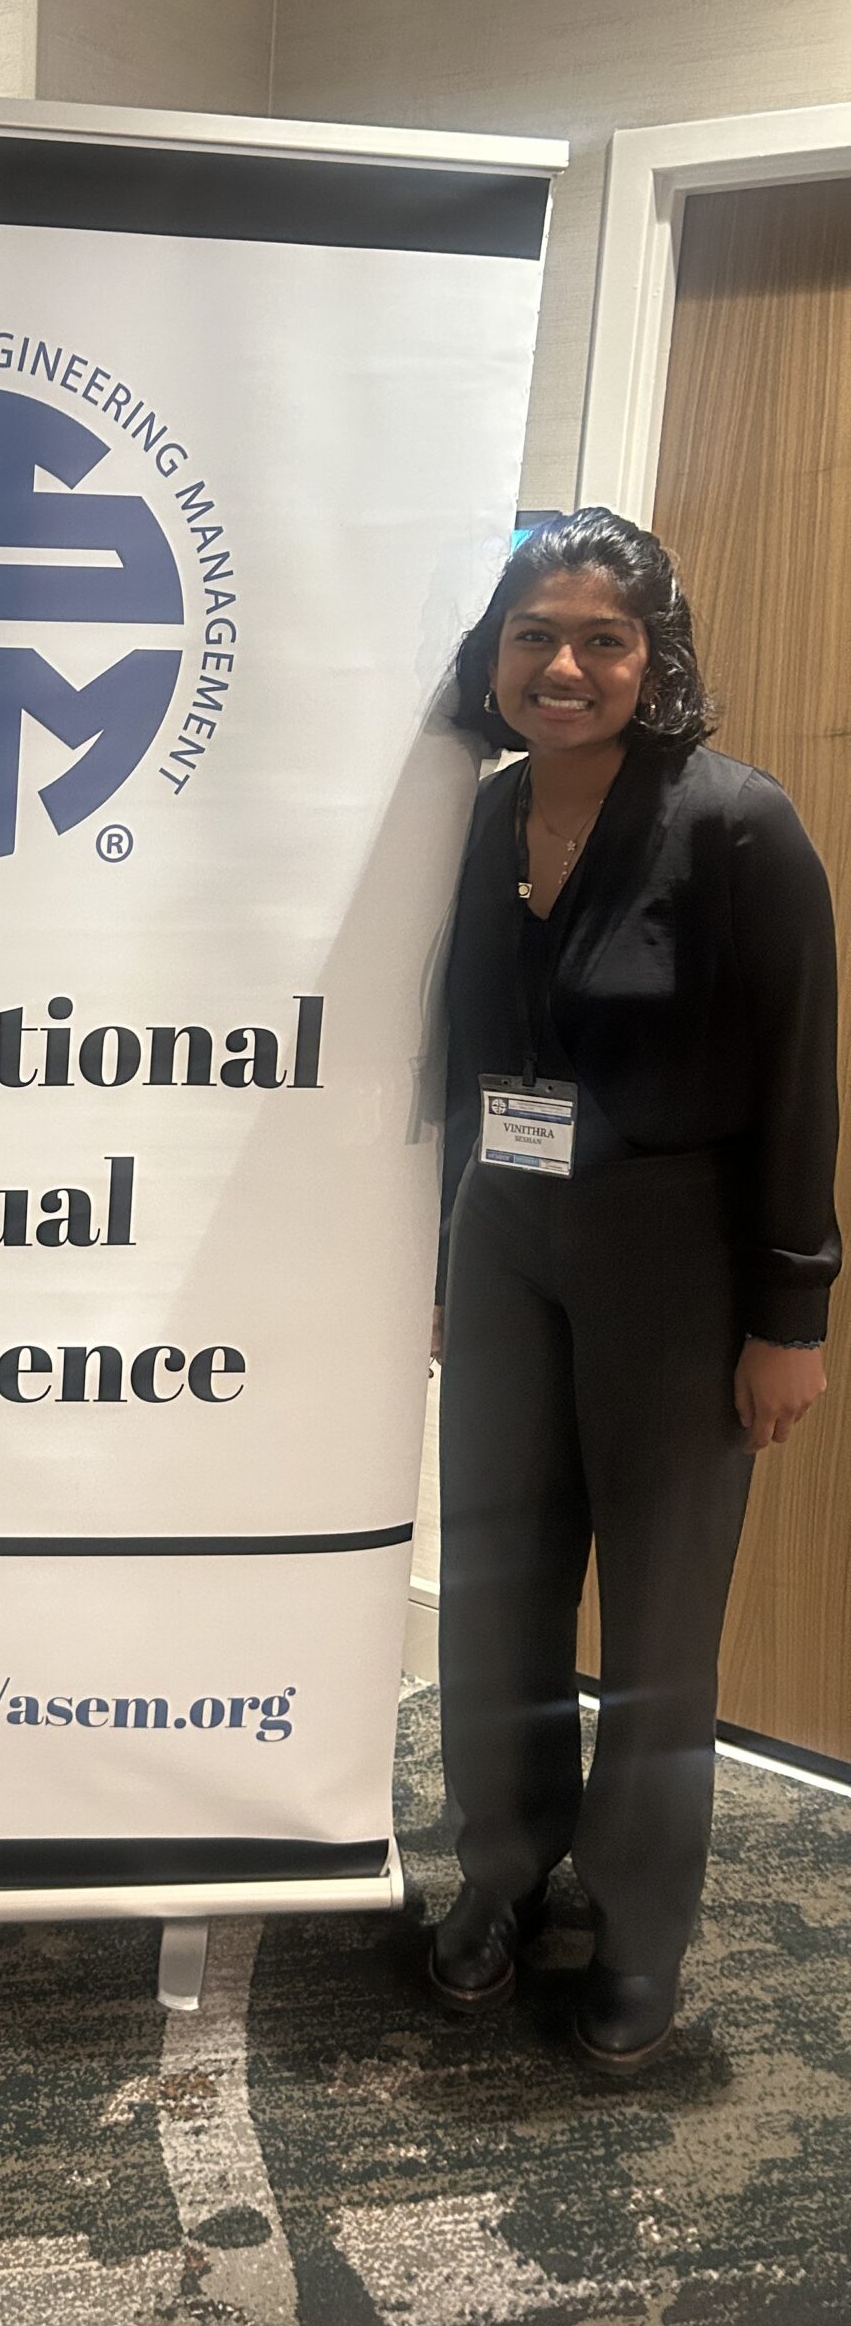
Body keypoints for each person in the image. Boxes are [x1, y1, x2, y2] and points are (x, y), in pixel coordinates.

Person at [426, 509, 838, 2074]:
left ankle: (640, 1924)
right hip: (509, 1236)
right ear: (499, 656)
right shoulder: (485, 815)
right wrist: (445, 1265)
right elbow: (459, 1060)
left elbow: (805, 1081)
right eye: (536, 636)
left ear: (653, 658)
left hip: (679, 1251)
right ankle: (501, 1871)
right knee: (497, 1584)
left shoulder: (737, 824)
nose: (567, 666)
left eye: (604, 636)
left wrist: (791, 1313)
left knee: (660, 1624)